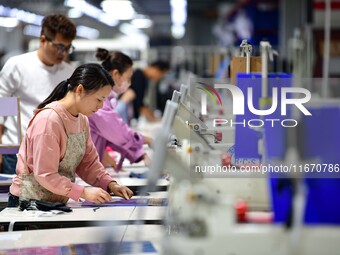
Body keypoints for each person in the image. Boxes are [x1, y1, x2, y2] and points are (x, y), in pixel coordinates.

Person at [8, 63, 133, 207]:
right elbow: (46, 174)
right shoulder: (49, 120)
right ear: (80, 90)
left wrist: (110, 184)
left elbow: (89, 163)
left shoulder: (82, 119)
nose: (100, 106)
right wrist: (83, 193)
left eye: (104, 100)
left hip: (53, 203)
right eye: (99, 99)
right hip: (29, 203)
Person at [0, 14, 77, 174]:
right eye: (59, 46)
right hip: (18, 151)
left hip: (55, 154)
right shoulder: (18, 66)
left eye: (68, 48)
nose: (63, 53)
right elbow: (3, 107)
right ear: (43, 40)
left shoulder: (69, 73)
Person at [89, 48, 152, 171]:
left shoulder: (106, 98)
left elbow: (111, 137)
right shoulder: (100, 101)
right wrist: (146, 142)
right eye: (128, 78)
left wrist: (139, 154)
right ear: (116, 74)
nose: (129, 83)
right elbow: (120, 133)